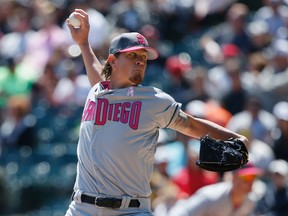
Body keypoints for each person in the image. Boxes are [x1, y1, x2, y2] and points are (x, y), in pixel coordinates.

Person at [65, 9, 249, 216]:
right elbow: (96, 71)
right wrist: (83, 44)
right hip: (82, 208)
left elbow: (190, 124)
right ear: (113, 61)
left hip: (130, 210)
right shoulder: (97, 90)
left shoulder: (153, 100)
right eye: (133, 55)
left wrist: (235, 137)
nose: (140, 61)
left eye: (144, 57)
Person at [167, 163, 265, 216]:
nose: (251, 182)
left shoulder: (250, 202)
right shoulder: (212, 196)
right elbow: (184, 213)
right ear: (234, 178)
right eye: (247, 178)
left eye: (253, 178)